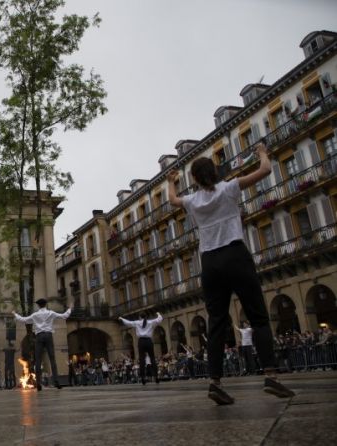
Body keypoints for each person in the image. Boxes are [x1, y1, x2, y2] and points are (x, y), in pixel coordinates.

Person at [167, 142, 294, 405]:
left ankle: (215, 382)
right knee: (258, 316)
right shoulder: (229, 188)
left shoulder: (192, 201)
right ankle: (271, 376)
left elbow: (172, 199)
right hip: (234, 254)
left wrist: (171, 181)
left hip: (209, 262)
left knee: (216, 322)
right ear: (214, 171)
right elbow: (266, 170)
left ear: (194, 179)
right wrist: (261, 152)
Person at [12, 298, 72, 391]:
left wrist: (14, 314)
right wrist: (70, 308)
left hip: (39, 336)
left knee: (38, 360)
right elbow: (64, 316)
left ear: (38, 305)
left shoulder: (35, 315)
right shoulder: (51, 313)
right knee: (52, 358)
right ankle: (57, 382)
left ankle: (38, 383)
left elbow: (24, 320)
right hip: (48, 335)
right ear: (45, 304)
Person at [119, 312, 163, 385]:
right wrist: (158, 314)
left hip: (141, 341)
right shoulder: (150, 322)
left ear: (140, 317)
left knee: (142, 360)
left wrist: (121, 318)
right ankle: (156, 377)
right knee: (152, 359)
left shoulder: (137, 322)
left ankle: (143, 378)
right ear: (146, 316)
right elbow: (159, 319)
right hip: (149, 341)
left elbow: (128, 323)